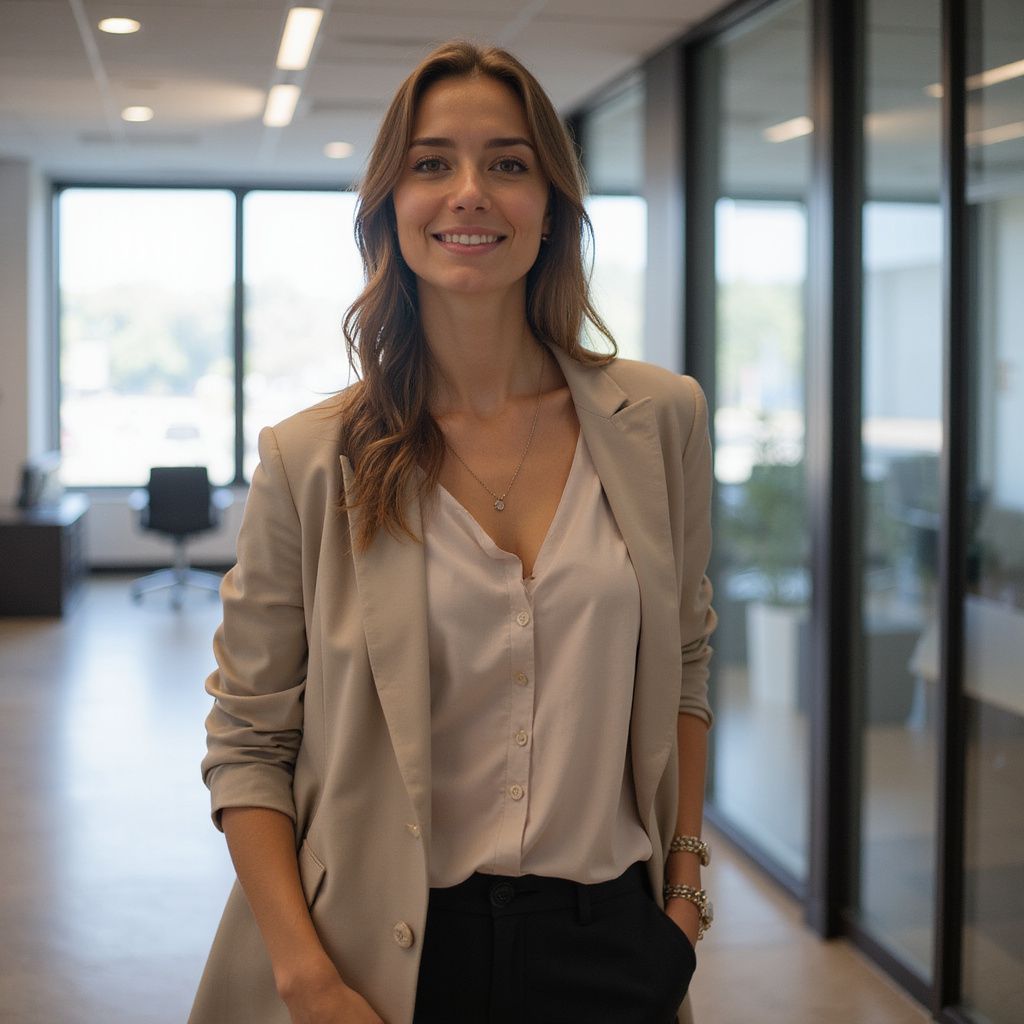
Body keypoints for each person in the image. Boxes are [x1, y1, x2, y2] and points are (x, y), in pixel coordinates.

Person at [189, 38, 716, 1024]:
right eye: (432, 163)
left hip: (610, 939)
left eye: (508, 164)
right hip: (384, 959)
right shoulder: (313, 457)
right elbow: (249, 738)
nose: (469, 191)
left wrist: (683, 891)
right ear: (391, 202)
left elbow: (684, 658)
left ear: (551, 206)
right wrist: (307, 979)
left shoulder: (660, 419)